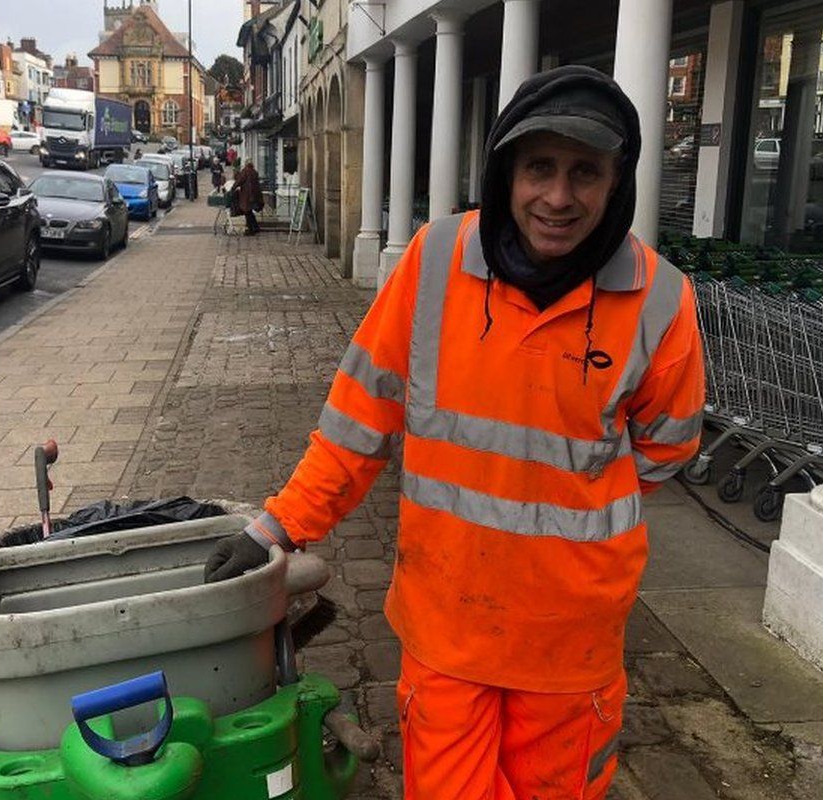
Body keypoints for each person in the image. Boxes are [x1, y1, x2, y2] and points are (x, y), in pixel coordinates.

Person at [205, 65, 704, 799]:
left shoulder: (660, 299)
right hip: (448, 632)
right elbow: (355, 427)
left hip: (573, 646)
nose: (559, 198)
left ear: (617, 181)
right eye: (539, 168)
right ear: (505, 169)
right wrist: (279, 526)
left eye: (585, 173)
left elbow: (666, 451)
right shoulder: (434, 264)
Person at [234, 159, 263, 235]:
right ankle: (256, 227)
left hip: (246, 196)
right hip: (254, 195)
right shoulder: (254, 172)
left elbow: (239, 181)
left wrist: (233, 188)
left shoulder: (245, 171)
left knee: (247, 212)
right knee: (249, 212)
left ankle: (251, 230)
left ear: (245, 164)